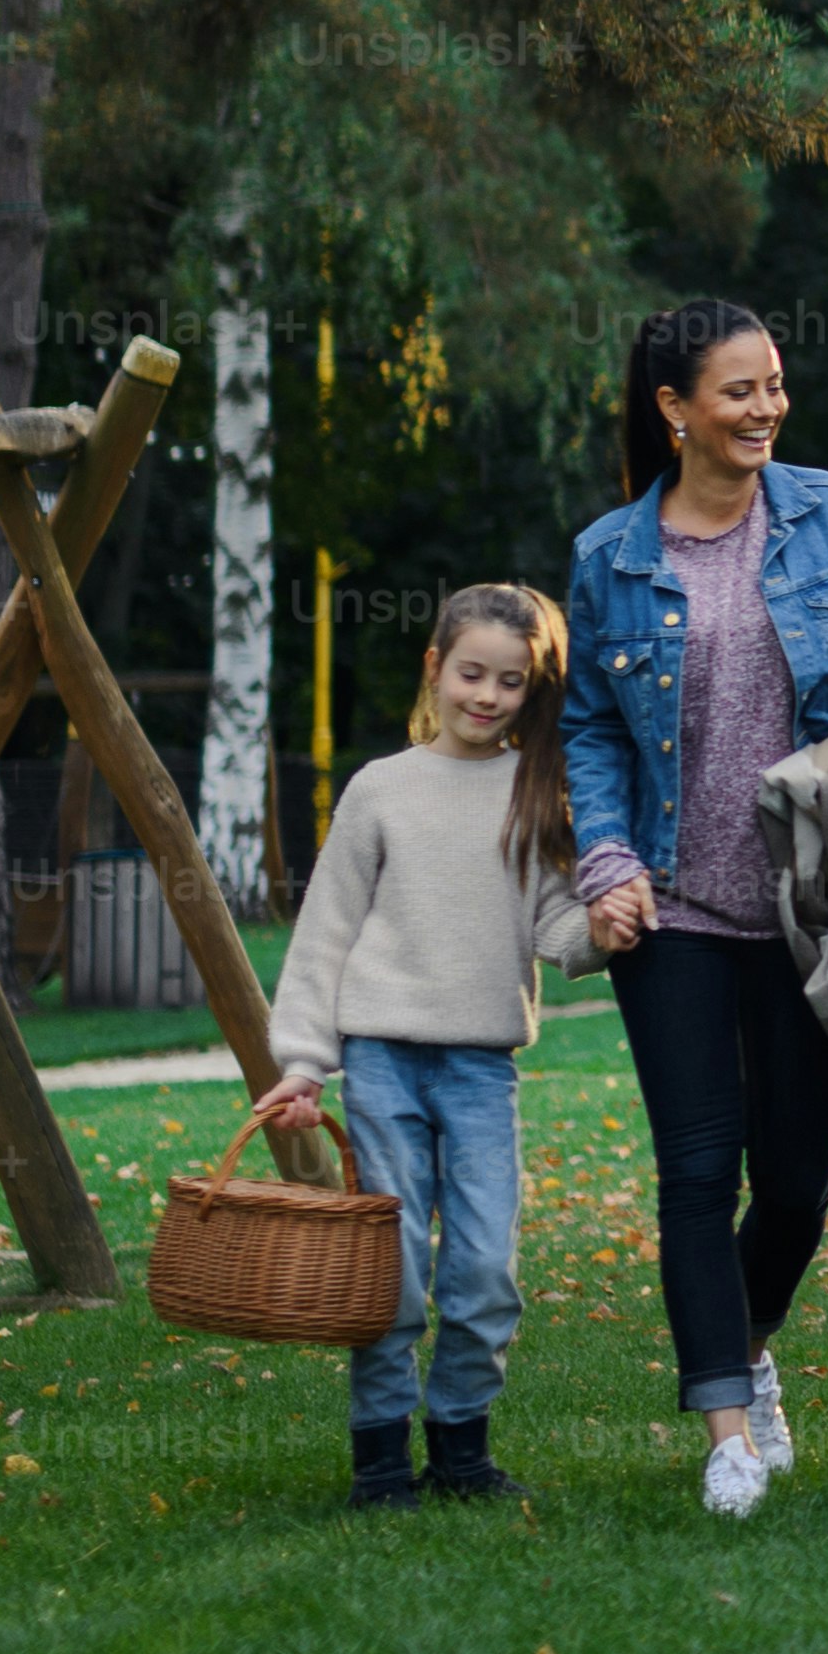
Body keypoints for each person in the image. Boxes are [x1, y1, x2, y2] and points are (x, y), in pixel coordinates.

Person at [559, 298, 828, 1522]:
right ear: (675, 410)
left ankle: (748, 1334)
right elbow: (588, 731)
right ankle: (727, 1431)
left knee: (793, 1182)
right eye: (739, 390)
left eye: (775, 383)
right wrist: (608, 857)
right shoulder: (610, 557)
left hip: (806, 906)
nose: (766, 406)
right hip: (670, 914)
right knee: (695, 1168)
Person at [256, 587, 597, 1509]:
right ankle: (378, 1460)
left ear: (535, 690)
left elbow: (560, 929)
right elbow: (325, 932)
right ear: (435, 670)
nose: (486, 695)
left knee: (485, 1267)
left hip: (482, 1067)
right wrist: (300, 1063)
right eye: (471, 673)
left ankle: (459, 1448)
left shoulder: (538, 792)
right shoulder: (381, 789)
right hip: (382, 1062)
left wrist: (612, 923)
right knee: (392, 1269)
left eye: (510, 682)